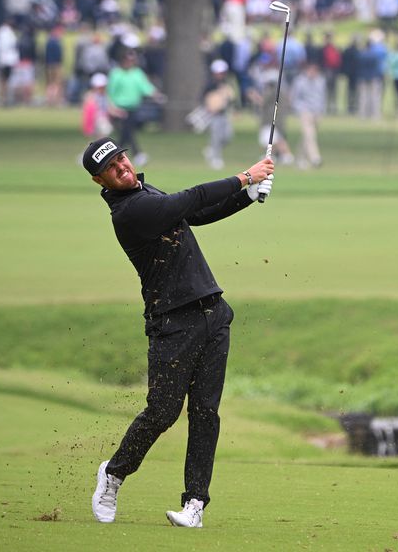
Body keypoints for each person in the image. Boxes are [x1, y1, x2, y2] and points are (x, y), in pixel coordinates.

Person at [84, 136, 274, 528]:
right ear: (101, 181)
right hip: (172, 323)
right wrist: (244, 177)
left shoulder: (144, 191)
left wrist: (248, 195)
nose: (122, 167)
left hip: (212, 314)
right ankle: (114, 474)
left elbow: (196, 214)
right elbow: (189, 199)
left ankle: (195, 504)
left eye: (122, 158)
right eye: (112, 169)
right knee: (163, 412)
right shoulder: (129, 212)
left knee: (206, 413)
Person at [107, 47, 161, 167]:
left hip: (133, 108)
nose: (129, 62)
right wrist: (112, 107)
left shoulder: (137, 73)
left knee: (125, 134)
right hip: (119, 108)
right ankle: (137, 154)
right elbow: (110, 92)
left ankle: (115, 155)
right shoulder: (116, 74)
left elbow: (145, 87)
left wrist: (156, 95)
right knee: (127, 131)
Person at [201, 59, 236, 170]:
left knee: (227, 137)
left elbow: (231, 98)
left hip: (224, 114)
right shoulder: (210, 85)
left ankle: (211, 150)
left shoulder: (227, 83)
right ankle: (216, 158)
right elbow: (205, 99)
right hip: (214, 115)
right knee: (215, 137)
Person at [82, 73, 112, 138]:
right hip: (96, 120)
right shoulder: (91, 96)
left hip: (103, 119)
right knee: (103, 133)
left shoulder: (105, 96)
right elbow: (88, 112)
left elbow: (109, 107)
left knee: (102, 137)